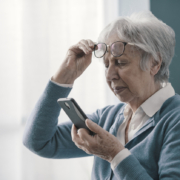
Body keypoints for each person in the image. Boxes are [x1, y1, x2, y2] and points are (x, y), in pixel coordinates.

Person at [23, 11, 180, 180]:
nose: (110, 75)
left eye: (121, 62)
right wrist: (65, 76)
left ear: (154, 63)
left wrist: (115, 155)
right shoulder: (108, 118)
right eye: (106, 65)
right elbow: (38, 142)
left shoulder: (174, 120)